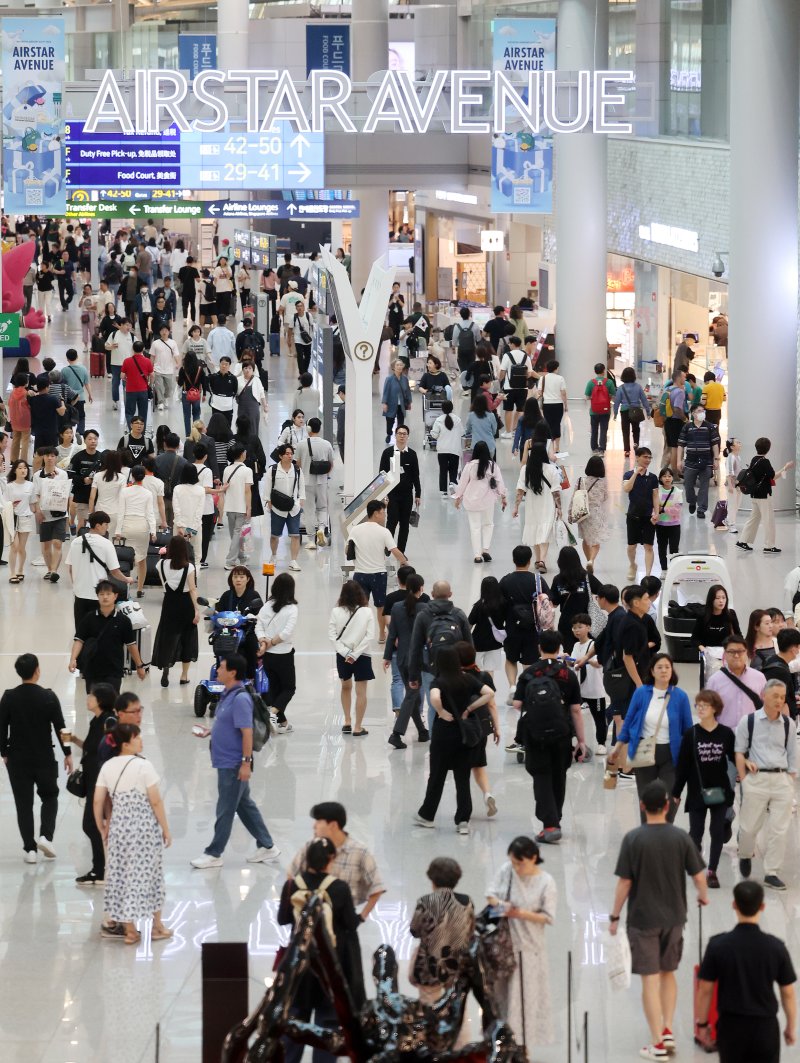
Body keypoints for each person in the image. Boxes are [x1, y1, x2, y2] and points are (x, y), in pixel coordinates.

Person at [609, 781, 708, 1062]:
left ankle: (657, 1044)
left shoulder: (633, 839)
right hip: (675, 918)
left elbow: (624, 883)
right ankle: (667, 1030)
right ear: (668, 806)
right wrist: (702, 897)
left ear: (642, 806)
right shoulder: (680, 838)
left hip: (642, 920)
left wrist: (615, 916)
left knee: (649, 981)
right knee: (668, 974)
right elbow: (699, 876)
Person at [277, 837, 364, 1060]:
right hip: (328, 967)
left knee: (295, 1021)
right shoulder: (340, 888)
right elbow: (350, 923)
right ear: (330, 859)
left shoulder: (291, 885)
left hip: (299, 966)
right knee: (328, 1024)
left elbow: (283, 919)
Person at [191, 653, 280, 869]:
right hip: (226, 761)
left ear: (232, 672)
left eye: (221, 667)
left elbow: (247, 733)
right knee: (244, 805)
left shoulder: (240, 698)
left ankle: (214, 853)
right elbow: (228, 725)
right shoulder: (227, 695)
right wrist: (211, 732)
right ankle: (268, 847)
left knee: (225, 808)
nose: (217, 670)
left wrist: (245, 763)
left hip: (233, 763)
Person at [696, 880, 797, 1062]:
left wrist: (702, 1025)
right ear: (762, 907)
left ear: (734, 904)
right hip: (765, 1028)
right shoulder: (776, 947)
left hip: (731, 1026)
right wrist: (790, 1026)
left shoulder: (718, 945)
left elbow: (705, 989)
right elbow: (788, 993)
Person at [93, 722, 172, 945]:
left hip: (119, 828)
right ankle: (157, 927)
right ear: (126, 744)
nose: (141, 741)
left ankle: (130, 931)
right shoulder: (144, 766)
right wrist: (165, 829)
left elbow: (98, 800)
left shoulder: (107, 766)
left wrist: (102, 826)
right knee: (152, 875)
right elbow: (155, 801)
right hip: (145, 829)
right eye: (137, 738)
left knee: (123, 875)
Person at [511, 630, 587, 842]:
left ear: (539, 648)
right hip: (562, 733)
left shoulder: (529, 673)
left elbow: (517, 704)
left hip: (535, 734)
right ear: (560, 648)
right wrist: (581, 741)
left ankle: (550, 824)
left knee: (541, 776)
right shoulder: (567, 674)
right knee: (558, 775)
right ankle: (556, 818)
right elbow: (576, 710)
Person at [0, 653, 72, 863]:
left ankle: (30, 850)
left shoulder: (9, 697)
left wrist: (4, 752)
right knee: (49, 796)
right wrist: (67, 753)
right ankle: (45, 837)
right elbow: (62, 727)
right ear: (37, 670)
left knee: (23, 803)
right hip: (44, 758)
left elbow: (1, 727)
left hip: (18, 759)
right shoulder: (48, 696)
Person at [486, 836, 557, 1049]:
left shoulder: (547, 882)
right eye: (514, 863)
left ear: (533, 858)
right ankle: (501, 1041)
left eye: (520, 863)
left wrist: (521, 914)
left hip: (531, 949)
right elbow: (490, 897)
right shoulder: (507, 870)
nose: (516, 868)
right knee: (501, 997)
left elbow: (548, 917)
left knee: (526, 999)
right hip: (505, 947)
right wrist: (503, 907)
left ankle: (522, 1045)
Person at [414, 646, 493, 834]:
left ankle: (427, 815)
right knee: (462, 778)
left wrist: (441, 711)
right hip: (463, 735)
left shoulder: (438, 682)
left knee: (437, 777)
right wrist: (470, 708)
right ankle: (463, 820)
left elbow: (434, 697)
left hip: (443, 735)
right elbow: (489, 693)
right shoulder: (468, 679)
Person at [608, 652, 693, 822]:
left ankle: (665, 829)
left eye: (667, 667)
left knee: (670, 797)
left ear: (672, 671)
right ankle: (647, 832)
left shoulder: (680, 696)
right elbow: (629, 721)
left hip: (671, 754)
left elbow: (688, 730)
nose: (664, 671)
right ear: (652, 671)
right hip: (644, 750)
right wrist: (617, 748)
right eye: (659, 667)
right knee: (645, 798)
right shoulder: (641, 693)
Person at [735, 679, 797, 891]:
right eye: (775, 696)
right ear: (764, 696)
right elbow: (739, 751)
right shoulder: (749, 721)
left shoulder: (789, 724)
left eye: (782, 697)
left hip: (781, 780)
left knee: (779, 829)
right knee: (749, 826)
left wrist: (790, 781)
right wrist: (744, 780)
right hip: (756, 778)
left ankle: (772, 872)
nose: (780, 700)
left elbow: (792, 755)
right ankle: (745, 854)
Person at [672, 688, 734, 889]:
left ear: (715, 708)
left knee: (716, 831)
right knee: (695, 833)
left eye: (704, 705)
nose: (700, 709)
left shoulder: (725, 733)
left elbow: (735, 757)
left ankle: (712, 871)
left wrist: (747, 767)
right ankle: (695, 864)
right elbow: (683, 766)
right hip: (697, 790)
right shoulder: (691, 734)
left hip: (720, 790)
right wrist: (676, 792)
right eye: (698, 705)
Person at [410, 858, 475, 1007]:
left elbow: (414, 930)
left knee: (428, 1007)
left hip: (428, 966)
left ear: (432, 879)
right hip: (458, 966)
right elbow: (470, 932)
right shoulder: (467, 902)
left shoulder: (425, 902)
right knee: (456, 1010)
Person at [71, 683, 117, 886]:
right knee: (95, 825)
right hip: (93, 781)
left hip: (102, 783)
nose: (88, 698)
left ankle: (103, 868)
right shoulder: (96, 721)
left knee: (92, 824)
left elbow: (110, 751)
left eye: (91, 696)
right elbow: (92, 748)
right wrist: (74, 740)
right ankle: (100, 869)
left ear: (101, 700)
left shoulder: (109, 721)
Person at [70, 580, 147, 692]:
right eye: (101, 594)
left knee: (111, 702)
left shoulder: (123, 620)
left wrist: (139, 666)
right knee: (96, 703)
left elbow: (131, 644)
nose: (105, 597)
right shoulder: (89, 618)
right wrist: (73, 659)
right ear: (97, 596)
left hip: (114, 669)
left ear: (115, 596)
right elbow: (79, 640)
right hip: (92, 669)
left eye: (108, 594)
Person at [384, 574, 431, 749]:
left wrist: (387, 656)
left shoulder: (396, 608)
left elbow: (392, 635)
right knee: (412, 695)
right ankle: (396, 734)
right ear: (421, 588)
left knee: (413, 697)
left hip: (402, 658)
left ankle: (422, 731)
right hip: (418, 659)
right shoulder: (425, 608)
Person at [66, 510, 133, 625]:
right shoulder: (106, 544)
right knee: (99, 631)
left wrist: (76, 585)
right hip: (99, 595)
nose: (107, 528)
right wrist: (127, 579)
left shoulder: (75, 542)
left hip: (79, 594)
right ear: (98, 525)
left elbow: (71, 568)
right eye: (106, 524)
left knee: (81, 632)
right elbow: (114, 571)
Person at [151, 535, 200, 688]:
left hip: (169, 604)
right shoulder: (189, 567)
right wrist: (197, 610)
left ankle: (166, 667)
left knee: (168, 637)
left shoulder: (160, 564)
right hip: (185, 605)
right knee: (187, 639)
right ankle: (184, 675)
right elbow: (192, 589)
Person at [328, 580, 376, 736]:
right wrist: (355, 654)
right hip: (362, 656)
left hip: (342, 656)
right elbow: (370, 636)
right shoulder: (367, 612)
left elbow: (332, 635)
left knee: (345, 687)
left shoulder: (336, 611)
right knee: (361, 691)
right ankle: (358, 726)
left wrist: (345, 653)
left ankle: (347, 721)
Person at [256, 573, 298, 734]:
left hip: (267, 655)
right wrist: (272, 642)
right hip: (284, 654)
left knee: (274, 688)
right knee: (288, 688)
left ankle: (283, 723)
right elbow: (286, 633)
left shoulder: (267, 605)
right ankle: (271, 714)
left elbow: (258, 625)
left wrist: (263, 642)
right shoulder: (292, 609)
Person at [736, 437, 794, 554]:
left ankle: (743, 541)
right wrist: (785, 468)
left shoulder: (754, 460)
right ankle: (769, 546)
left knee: (754, 518)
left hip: (754, 494)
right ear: (768, 449)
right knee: (769, 521)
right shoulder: (765, 462)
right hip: (764, 495)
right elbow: (773, 476)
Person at [452, 441, 507, 564]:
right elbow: (500, 483)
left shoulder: (470, 465)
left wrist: (458, 498)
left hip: (472, 500)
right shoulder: (493, 465)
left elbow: (462, 483)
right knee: (488, 524)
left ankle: (477, 555)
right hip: (488, 500)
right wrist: (503, 497)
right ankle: (485, 549)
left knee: (475, 527)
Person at [514, 442, 562, 573]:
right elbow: (556, 491)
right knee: (545, 532)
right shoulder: (552, 469)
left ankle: (538, 559)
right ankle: (542, 560)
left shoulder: (525, 469)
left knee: (535, 530)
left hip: (532, 506)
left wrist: (516, 507)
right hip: (548, 505)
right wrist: (559, 508)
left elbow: (520, 490)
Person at [707, 634, 767, 730]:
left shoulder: (759, 678)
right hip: (725, 737)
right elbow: (708, 713)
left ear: (746, 652)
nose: (736, 655)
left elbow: (767, 708)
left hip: (752, 736)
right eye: (731, 652)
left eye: (740, 651)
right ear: (725, 654)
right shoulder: (714, 681)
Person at [31, 447, 71, 581]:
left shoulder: (62, 474)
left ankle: (54, 570)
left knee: (57, 543)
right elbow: (35, 495)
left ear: (56, 458)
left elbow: (65, 493)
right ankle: (49, 569)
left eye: (53, 456)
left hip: (60, 513)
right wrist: (37, 511)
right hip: (44, 514)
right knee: (46, 545)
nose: (50, 458)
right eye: (47, 455)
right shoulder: (37, 475)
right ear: (43, 457)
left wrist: (68, 512)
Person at [115, 466, 156, 596]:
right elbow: (150, 514)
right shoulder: (148, 493)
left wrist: (117, 530)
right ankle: (139, 589)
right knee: (142, 560)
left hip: (127, 526)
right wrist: (153, 531)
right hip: (142, 527)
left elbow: (120, 512)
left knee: (126, 559)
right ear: (144, 476)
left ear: (132, 476)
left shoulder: (124, 492)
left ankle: (124, 587)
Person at [571, 613, 608, 753]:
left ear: (588, 628)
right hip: (580, 689)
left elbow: (599, 664)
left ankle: (601, 743)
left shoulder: (594, 645)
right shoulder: (575, 645)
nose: (576, 630)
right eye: (574, 627)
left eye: (579, 627)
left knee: (599, 718)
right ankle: (576, 742)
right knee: (572, 716)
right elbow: (574, 663)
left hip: (595, 689)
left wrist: (586, 660)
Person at [676, 404, 720, 520]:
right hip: (690, 461)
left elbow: (715, 444)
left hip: (706, 461)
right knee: (688, 484)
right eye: (699, 411)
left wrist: (716, 459)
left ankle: (701, 509)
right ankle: (692, 500)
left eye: (703, 411)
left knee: (704, 486)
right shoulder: (687, 427)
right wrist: (679, 461)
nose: (702, 413)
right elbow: (680, 444)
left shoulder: (710, 427)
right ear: (693, 414)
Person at [623, 447, 660, 581]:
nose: (648, 460)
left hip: (648, 517)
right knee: (631, 546)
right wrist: (635, 474)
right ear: (637, 457)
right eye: (645, 457)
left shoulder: (653, 477)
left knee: (648, 546)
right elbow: (626, 489)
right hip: (633, 515)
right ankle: (633, 565)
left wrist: (656, 513)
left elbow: (655, 496)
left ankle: (648, 575)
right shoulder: (628, 475)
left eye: (649, 457)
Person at [267, 443, 305, 571]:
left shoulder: (297, 470)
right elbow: (267, 487)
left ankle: (293, 560)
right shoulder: (273, 470)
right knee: (274, 535)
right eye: (287, 454)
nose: (290, 456)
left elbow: (301, 487)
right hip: (277, 507)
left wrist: (301, 502)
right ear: (280, 456)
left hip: (293, 507)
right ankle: (273, 556)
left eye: (291, 454)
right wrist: (269, 501)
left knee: (295, 535)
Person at [572, 454, 609, 570]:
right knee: (596, 540)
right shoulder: (603, 483)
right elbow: (605, 497)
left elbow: (574, 497)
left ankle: (588, 560)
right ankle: (591, 560)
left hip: (582, 513)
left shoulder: (580, 481)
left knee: (586, 539)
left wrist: (570, 513)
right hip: (596, 513)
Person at [220, 441, 253, 569]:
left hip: (230, 506)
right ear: (241, 454)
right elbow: (247, 490)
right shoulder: (247, 470)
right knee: (238, 534)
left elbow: (225, 488)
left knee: (235, 534)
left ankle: (242, 557)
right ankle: (230, 561)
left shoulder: (227, 469)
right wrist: (249, 507)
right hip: (241, 507)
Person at [468, 576, 507, 679]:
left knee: (476, 669)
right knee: (490, 669)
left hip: (478, 642)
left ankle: (478, 690)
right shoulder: (503, 604)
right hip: (495, 641)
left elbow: (469, 624)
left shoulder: (479, 605)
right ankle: (490, 690)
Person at [6, 459, 35, 582]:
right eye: (20, 468)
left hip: (25, 518)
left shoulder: (30, 485)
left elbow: (33, 503)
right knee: (14, 547)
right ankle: (12, 573)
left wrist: (36, 512)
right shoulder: (9, 486)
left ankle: (20, 570)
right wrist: (11, 505)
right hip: (12, 518)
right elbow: (4, 502)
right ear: (15, 470)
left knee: (22, 548)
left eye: (25, 468)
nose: (23, 470)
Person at [691, 584, 742, 654]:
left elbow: (738, 635)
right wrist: (701, 647)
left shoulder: (731, 614)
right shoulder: (703, 615)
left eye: (724, 598)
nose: (721, 601)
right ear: (711, 599)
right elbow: (694, 639)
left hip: (727, 654)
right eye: (717, 598)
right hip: (708, 654)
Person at [612, 366, 650, 456]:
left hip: (624, 411)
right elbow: (644, 399)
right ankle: (636, 444)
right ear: (633, 376)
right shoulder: (638, 387)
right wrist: (648, 412)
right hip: (635, 411)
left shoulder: (621, 388)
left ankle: (627, 450)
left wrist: (615, 413)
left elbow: (617, 401)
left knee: (625, 430)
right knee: (636, 429)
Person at [430, 401, 463, 496]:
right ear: (452, 408)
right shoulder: (457, 420)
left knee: (443, 470)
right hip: (454, 449)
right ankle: (452, 483)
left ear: (442, 409)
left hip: (442, 449)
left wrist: (432, 433)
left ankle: (444, 491)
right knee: (454, 469)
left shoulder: (439, 420)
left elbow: (435, 435)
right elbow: (462, 433)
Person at [654, 467, 683, 572]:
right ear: (660, 478)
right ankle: (664, 570)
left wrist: (663, 508)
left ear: (672, 478)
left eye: (669, 476)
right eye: (664, 476)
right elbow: (654, 507)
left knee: (674, 549)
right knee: (661, 548)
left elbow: (677, 510)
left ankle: (674, 570)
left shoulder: (678, 492)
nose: (667, 478)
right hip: (660, 525)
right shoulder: (657, 491)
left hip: (674, 525)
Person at [89, 449, 126, 531]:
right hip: (115, 512)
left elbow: (92, 497)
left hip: (99, 512)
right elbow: (123, 497)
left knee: (100, 539)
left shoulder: (98, 476)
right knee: (111, 540)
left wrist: (91, 514)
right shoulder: (122, 478)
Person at [584, 361, 616, 454]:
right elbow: (613, 395)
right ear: (603, 371)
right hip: (605, 410)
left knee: (594, 430)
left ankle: (594, 448)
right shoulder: (609, 382)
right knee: (603, 430)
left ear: (595, 371)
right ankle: (602, 448)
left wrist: (594, 398)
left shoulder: (591, 383)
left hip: (594, 411)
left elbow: (587, 397)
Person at [536, 360, 568, 451]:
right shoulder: (560, 378)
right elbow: (563, 393)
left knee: (548, 424)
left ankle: (548, 446)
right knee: (557, 424)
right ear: (556, 368)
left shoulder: (543, 378)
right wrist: (566, 405)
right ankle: (557, 447)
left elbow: (539, 392)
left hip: (547, 404)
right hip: (558, 404)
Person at [62, 348, 92, 438]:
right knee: (81, 415)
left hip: (69, 398)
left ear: (67, 358)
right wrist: (90, 394)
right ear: (77, 357)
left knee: (68, 416)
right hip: (80, 397)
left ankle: (69, 433)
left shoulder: (64, 370)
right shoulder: (83, 369)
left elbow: (63, 385)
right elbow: (87, 383)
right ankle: (80, 432)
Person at [172, 464, 205, 544]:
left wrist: (179, 525)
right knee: (196, 553)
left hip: (179, 527)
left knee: (178, 553)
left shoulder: (177, 488)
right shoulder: (201, 490)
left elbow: (176, 509)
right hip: (195, 527)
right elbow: (199, 511)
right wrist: (192, 530)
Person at [381, 360, 412, 444]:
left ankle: (399, 436)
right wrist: (384, 403)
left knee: (401, 421)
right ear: (393, 367)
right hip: (391, 403)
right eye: (397, 365)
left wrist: (409, 402)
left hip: (401, 404)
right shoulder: (389, 379)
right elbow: (385, 391)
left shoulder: (405, 379)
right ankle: (389, 434)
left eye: (401, 365)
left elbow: (408, 391)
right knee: (390, 420)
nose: (399, 367)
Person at [177, 348, 206, 437]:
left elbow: (180, 383)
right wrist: (204, 394)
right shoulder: (200, 369)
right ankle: (196, 434)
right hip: (196, 394)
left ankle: (188, 434)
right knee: (196, 414)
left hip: (186, 394)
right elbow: (204, 382)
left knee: (187, 416)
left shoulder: (183, 369)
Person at [464, 392, 498, 460]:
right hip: (490, 446)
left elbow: (467, 430)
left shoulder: (471, 415)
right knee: (488, 467)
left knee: (475, 467)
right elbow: (494, 431)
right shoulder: (491, 415)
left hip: (475, 447)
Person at [208, 356, 239, 425]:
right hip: (216, 406)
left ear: (229, 366)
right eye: (222, 364)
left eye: (226, 364)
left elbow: (235, 390)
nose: (224, 366)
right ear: (219, 364)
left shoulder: (233, 378)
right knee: (215, 426)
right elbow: (211, 388)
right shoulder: (214, 377)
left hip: (228, 407)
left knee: (227, 426)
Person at [723, 437, 742, 534]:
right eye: (737, 442)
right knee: (732, 505)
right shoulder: (731, 457)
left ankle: (727, 520)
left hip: (738, 485)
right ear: (732, 447)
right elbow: (728, 473)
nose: (740, 443)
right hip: (732, 485)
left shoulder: (738, 457)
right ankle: (731, 524)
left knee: (737, 505)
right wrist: (730, 486)